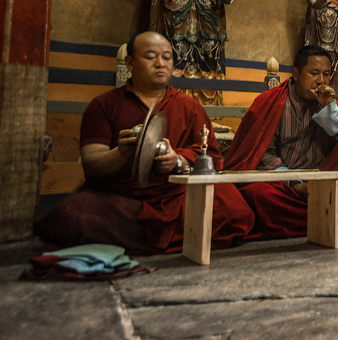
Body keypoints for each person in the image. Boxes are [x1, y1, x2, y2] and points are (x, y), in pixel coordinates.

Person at [34, 31, 254, 253]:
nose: (161, 63)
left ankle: (135, 238)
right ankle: (170, 235)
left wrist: (178, 160)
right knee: (73, 213)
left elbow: (213, 159)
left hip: (175, 195)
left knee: (235, 210)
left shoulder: (190, 107)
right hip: (123, 199)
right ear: (130, 62)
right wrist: (121, 153)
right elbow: (91, 164)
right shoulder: (103, 105)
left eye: (167, 57)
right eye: (150, 56)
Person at [224, 45, 338, 239]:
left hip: (320, 182)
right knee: (257, 193)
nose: (321, 81)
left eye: (326, 74)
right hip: (282, 184)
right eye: (314, 73)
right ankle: (320, 220)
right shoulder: (270, 102)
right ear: (296, 74)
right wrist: (295, 182)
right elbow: (263, 153)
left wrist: (330, 110)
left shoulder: (331, 103)